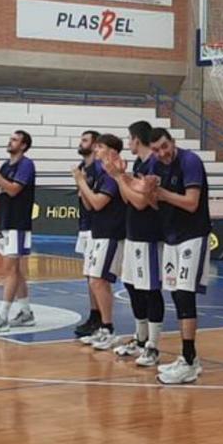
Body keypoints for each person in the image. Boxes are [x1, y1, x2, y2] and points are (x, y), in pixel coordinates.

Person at [147, 128, 212, 385]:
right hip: (171, 235)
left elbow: (191, 202)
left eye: (164, 146)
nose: (161, 153)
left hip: (193, 234)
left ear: (172, 142)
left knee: (185, 294)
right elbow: (154, 205)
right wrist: (150, 193)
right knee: (175, 293)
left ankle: (189, 358)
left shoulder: (190, 161)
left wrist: (162, 194)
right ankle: (188, 359)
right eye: (156, 149)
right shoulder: (154, 164)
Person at [101, 121, 166, 366]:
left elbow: (138, 202)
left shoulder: (153, 164)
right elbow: (131, 197)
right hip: (134, 233)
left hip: (149, 234)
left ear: (137, 140)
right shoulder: (139, 164)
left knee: (150, 289)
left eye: (129, 139)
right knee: (131, 285)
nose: (128, 143)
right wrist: (124, 178)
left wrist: (119, 178)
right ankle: (140, 338)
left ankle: (153, 344)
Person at [0, 131, 37, 332]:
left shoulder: (26, 165)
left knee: (10, 270)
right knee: (16, 271)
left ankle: (3, 315)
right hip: (5, 222)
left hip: (18, 222)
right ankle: (26, 312)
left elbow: (13, 190)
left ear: (23, 145)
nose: (9, 142)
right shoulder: (4, 166)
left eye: (14, 140)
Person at [74, 133, 126, 350]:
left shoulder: (111, 176)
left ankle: (108, 328)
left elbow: (98, 203)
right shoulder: (98, 173)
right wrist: (83, 186)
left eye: (101, 147)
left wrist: (80, 183)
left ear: (112, 151)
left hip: (111, 233)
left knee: (99, 281)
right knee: (94, 280)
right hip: (97, 232)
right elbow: (88, 205)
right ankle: (103, 327)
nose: (96, 150)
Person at [73, 130, 104, 339]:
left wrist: (82, 185)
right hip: (84, 225)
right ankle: (94, 314)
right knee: (88, 274)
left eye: (84, 140)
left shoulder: (99, 168)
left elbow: (94, 203)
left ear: (94, 145)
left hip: (97, 227)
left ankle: (102, 318)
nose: (80, 143)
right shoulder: (83, 168)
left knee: (97, 275)